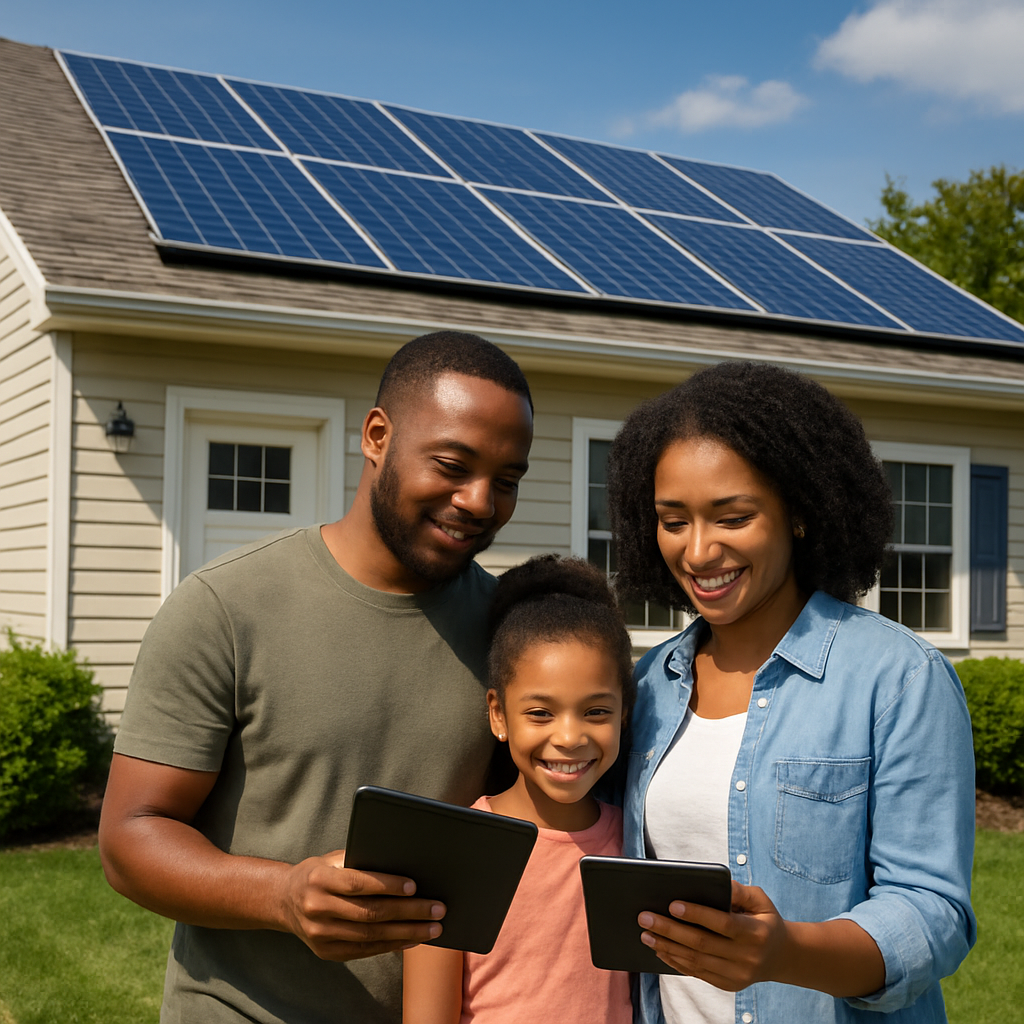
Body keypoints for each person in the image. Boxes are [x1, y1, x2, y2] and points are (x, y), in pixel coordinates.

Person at [97, 331, 535, 1024]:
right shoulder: (225, 608)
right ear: (377, 436)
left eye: (507, 481)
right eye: (453, 464)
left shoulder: (513, 636)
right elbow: (130, 839)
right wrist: (282, 895)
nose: (480, 501)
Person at [606, 361, 976, 1024]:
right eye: (673, 520)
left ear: (800, 513)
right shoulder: (645, 685)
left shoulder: (898, 678)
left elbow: (931, 912)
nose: (698, 552)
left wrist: (784, 953)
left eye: (733, 516)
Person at [402, 555, 634, 1024]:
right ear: (498, 715)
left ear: (625, 712)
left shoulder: (637, 847)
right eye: (541, 713)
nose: (569, 737)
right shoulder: (452, 856)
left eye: (596, 712)